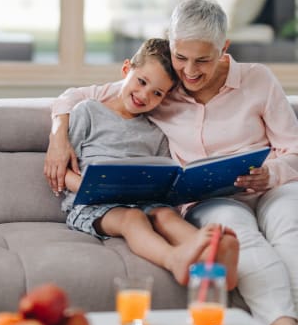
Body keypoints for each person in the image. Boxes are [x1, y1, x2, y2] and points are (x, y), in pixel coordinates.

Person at [44, 0, 298, 325]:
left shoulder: (256, 79)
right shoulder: (166, 86)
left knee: (290, 226)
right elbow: (78, 97)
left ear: (223, 48)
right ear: (171, 44)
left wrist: (271, 174)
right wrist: (59, 136)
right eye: (181, 57)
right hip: (214, 198)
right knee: (237, 234)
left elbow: (294, 148)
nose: (190, 71)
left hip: (273, 186)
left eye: (203, 60)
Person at [61, 38, 239, 288]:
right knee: (133, 218)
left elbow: (164, 173)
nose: (144, 95)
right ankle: (173, 260)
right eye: (141, 82)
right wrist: (87, 186)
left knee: (165, 214)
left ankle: (212, 253)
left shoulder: (155, 129)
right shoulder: (88, 111)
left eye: (157, 93)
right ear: (126, 70)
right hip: (92, 203)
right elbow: (62, 170)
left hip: (143, 199)